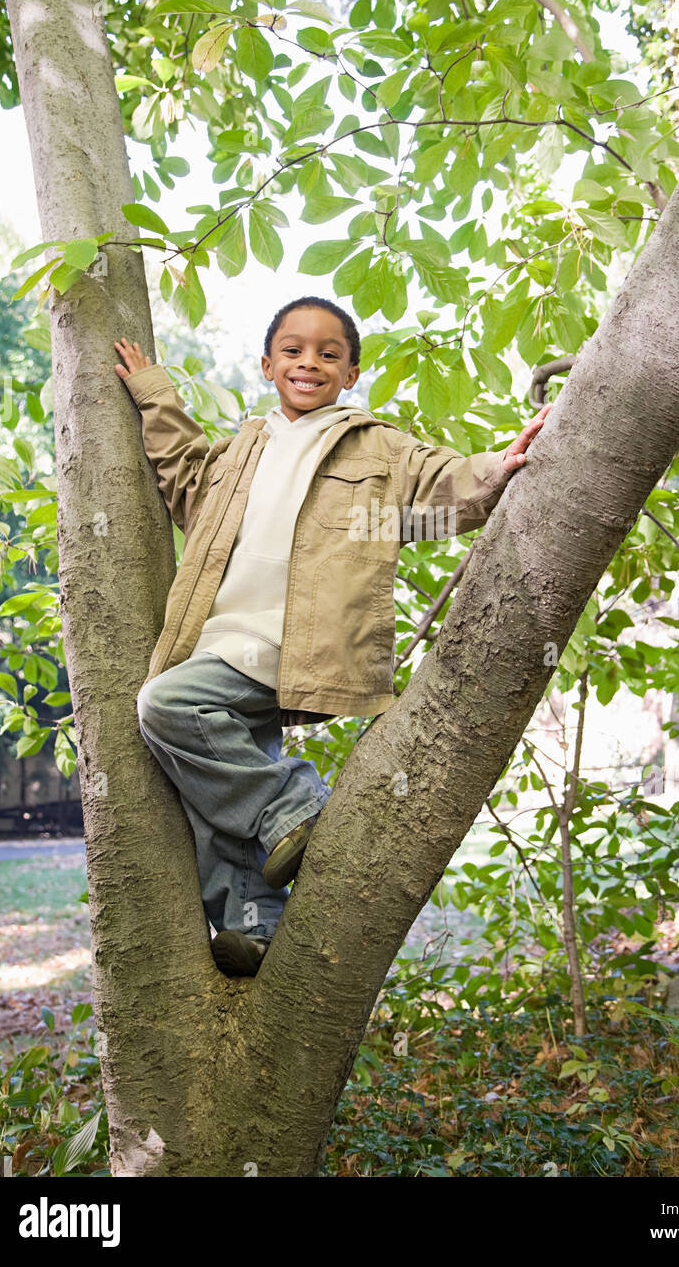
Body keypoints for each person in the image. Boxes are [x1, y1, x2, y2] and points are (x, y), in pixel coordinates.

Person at [114, 295, 551, 978]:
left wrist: (497, 469)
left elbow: (444, 493)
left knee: (165, 706)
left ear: (350, 372)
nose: (308, 362)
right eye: (292, 350)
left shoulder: (375, 446)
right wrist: (153, 393)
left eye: (328, 353)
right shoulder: (240, 453)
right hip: (219, 638)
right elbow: (183, 474)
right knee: (211, 791)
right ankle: (256, 924)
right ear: (266, 365)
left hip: (295, 643)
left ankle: (299, 805)